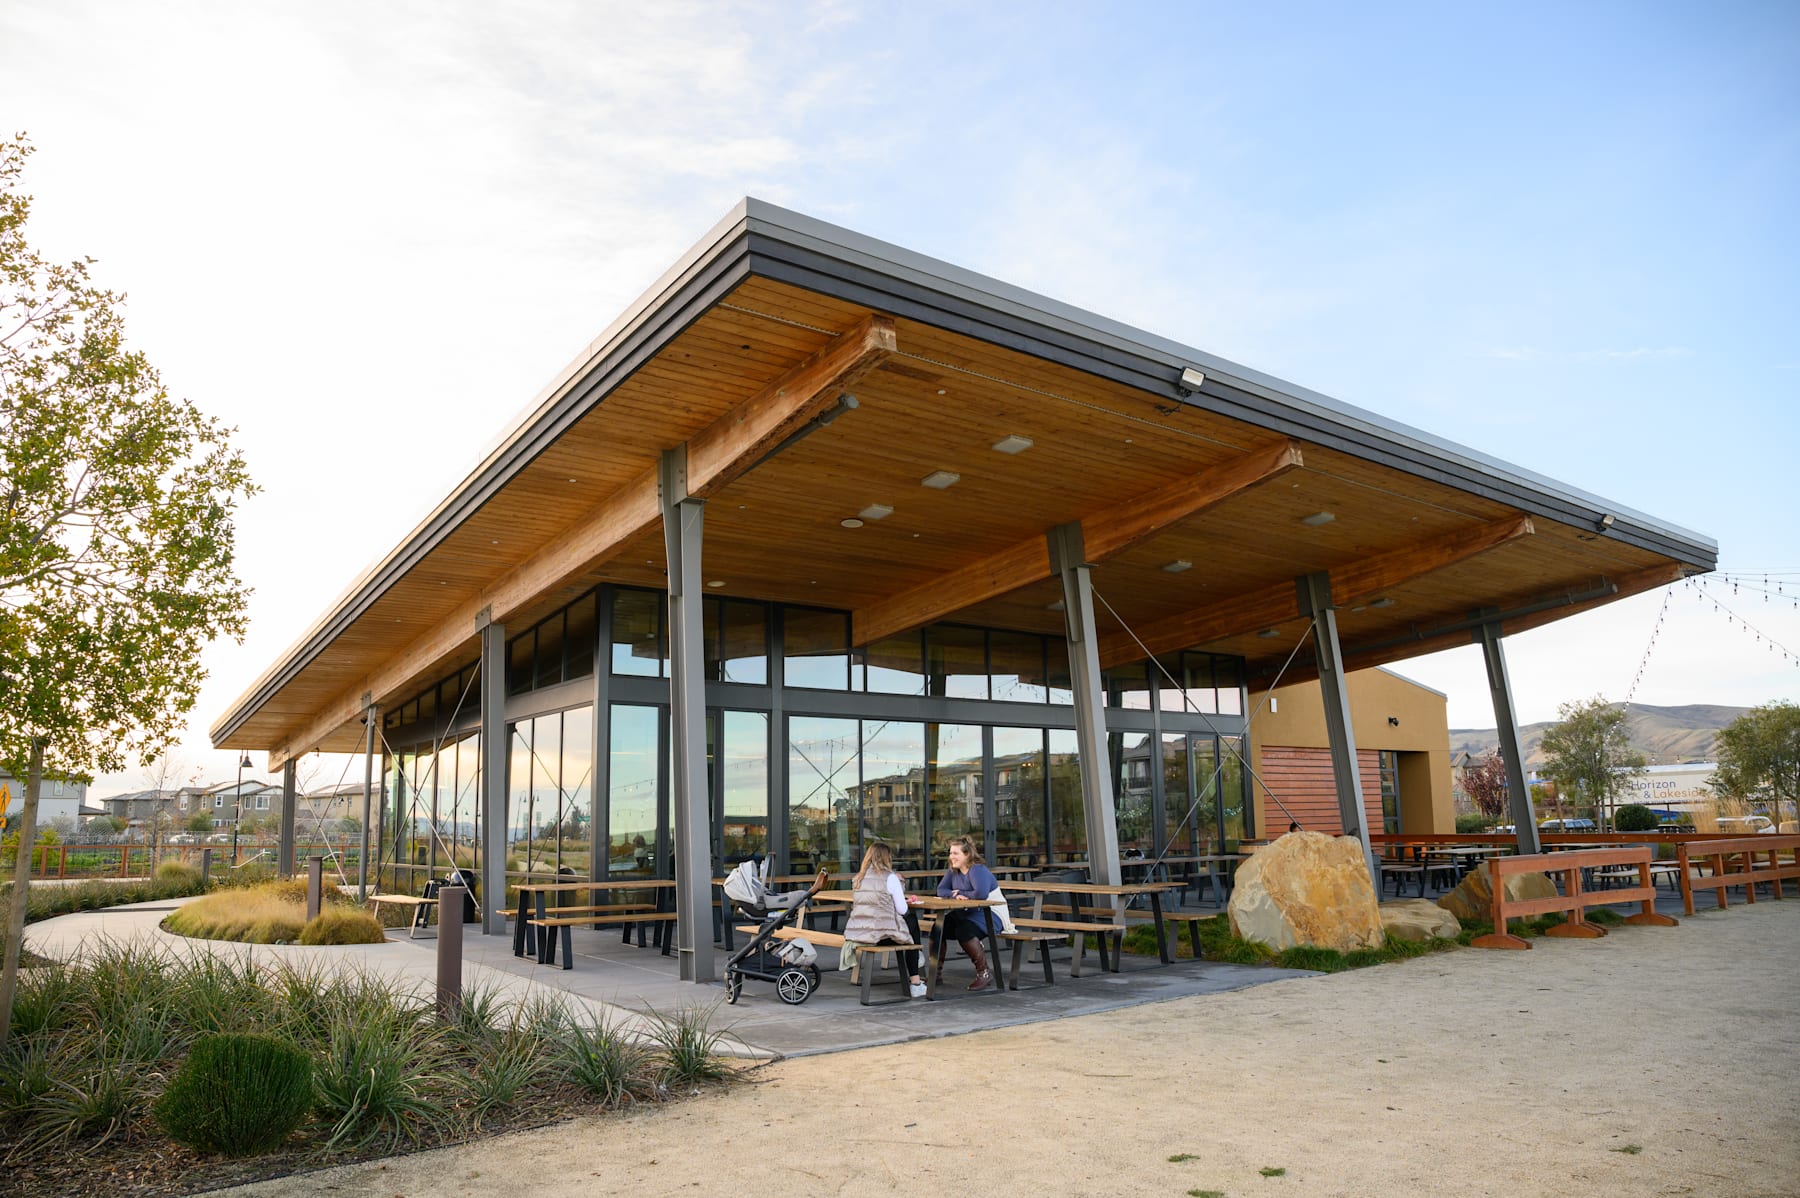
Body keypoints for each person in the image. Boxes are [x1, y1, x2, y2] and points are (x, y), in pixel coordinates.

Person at [843, 842, 927, 998]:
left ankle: (917, 956)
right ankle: (916, 981)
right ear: (887, 858)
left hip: (859, 935)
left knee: (908, 928)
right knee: (911, 921)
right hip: (881, 936)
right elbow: (902, 909)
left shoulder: (858, 878)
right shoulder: (890, 877)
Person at [933, 835, 999, 991]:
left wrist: (960, 892)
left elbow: (980, 894)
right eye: (950, 853)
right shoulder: (953, 871)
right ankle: (935, 973)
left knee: (964, 931)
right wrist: (955, 895)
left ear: (967, 854)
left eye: (956, 853)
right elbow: (941, 890)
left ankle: (984, 973)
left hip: (990, 914)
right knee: (938, 928)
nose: (952, 857)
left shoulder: (977, 869)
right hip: (966, 912)